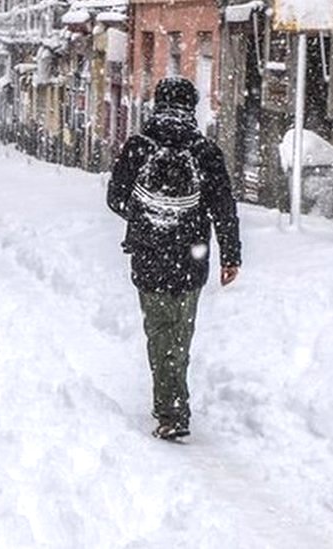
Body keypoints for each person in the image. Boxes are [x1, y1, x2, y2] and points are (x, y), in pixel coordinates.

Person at [107, 76, 242, 441]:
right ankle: (174, 404)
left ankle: (169, 407)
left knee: (159, 331)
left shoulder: (138, 146)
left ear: (158, 105)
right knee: (181, 332)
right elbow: (223, 209)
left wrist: (148, 218)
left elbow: (115, 198)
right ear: (191, 108)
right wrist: (231, 255)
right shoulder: (205, 151)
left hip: (149, 256)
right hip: (191, 256)